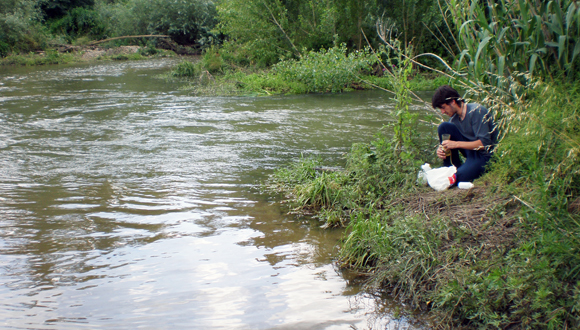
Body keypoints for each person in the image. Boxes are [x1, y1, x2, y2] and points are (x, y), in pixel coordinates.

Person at [432, 85, 497, 185]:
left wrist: (456, 144)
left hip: (485, 156)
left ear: (453, 102)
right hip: (470, 152)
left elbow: (484, 144)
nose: (442, 111)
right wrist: (441, 150)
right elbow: (450, 141)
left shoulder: (476, 111)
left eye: (443, 107)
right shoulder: (454, 119)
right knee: (444, 127)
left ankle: (458, 173)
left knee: (460, 177)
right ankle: (450, 168)